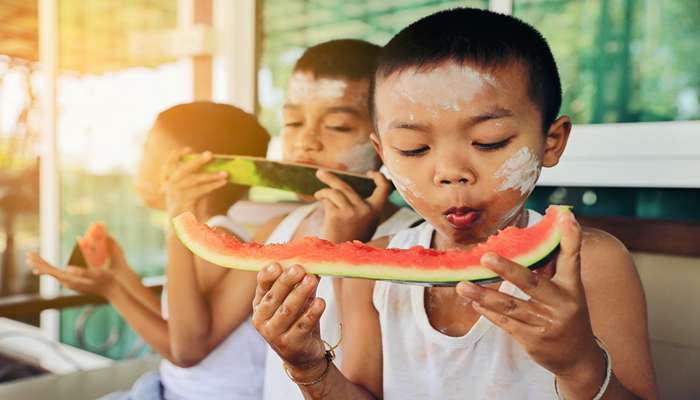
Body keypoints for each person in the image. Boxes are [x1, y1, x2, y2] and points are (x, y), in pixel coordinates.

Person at [251, 8, 658, 400]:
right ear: (383, 152)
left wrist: (581, 368)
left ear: (551, 141)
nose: (450, 172)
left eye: (489, 141)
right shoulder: (368, 273)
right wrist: (309, 369)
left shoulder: (594, 264)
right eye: (413, 148)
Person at [29, 101, 270, 400]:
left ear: (186, 167)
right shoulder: (210, 230)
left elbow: (184, 349)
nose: (139, 165)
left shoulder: (214, 238)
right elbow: (178, 321)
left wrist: (113, 291)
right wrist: (120, 273)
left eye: (148, 151)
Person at [249, 39, 422, 400]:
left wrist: (341, 251)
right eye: (293, 122)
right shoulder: (277, 230)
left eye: (339, 126)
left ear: (386, 142)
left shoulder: (414, 243)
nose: (306, 142)